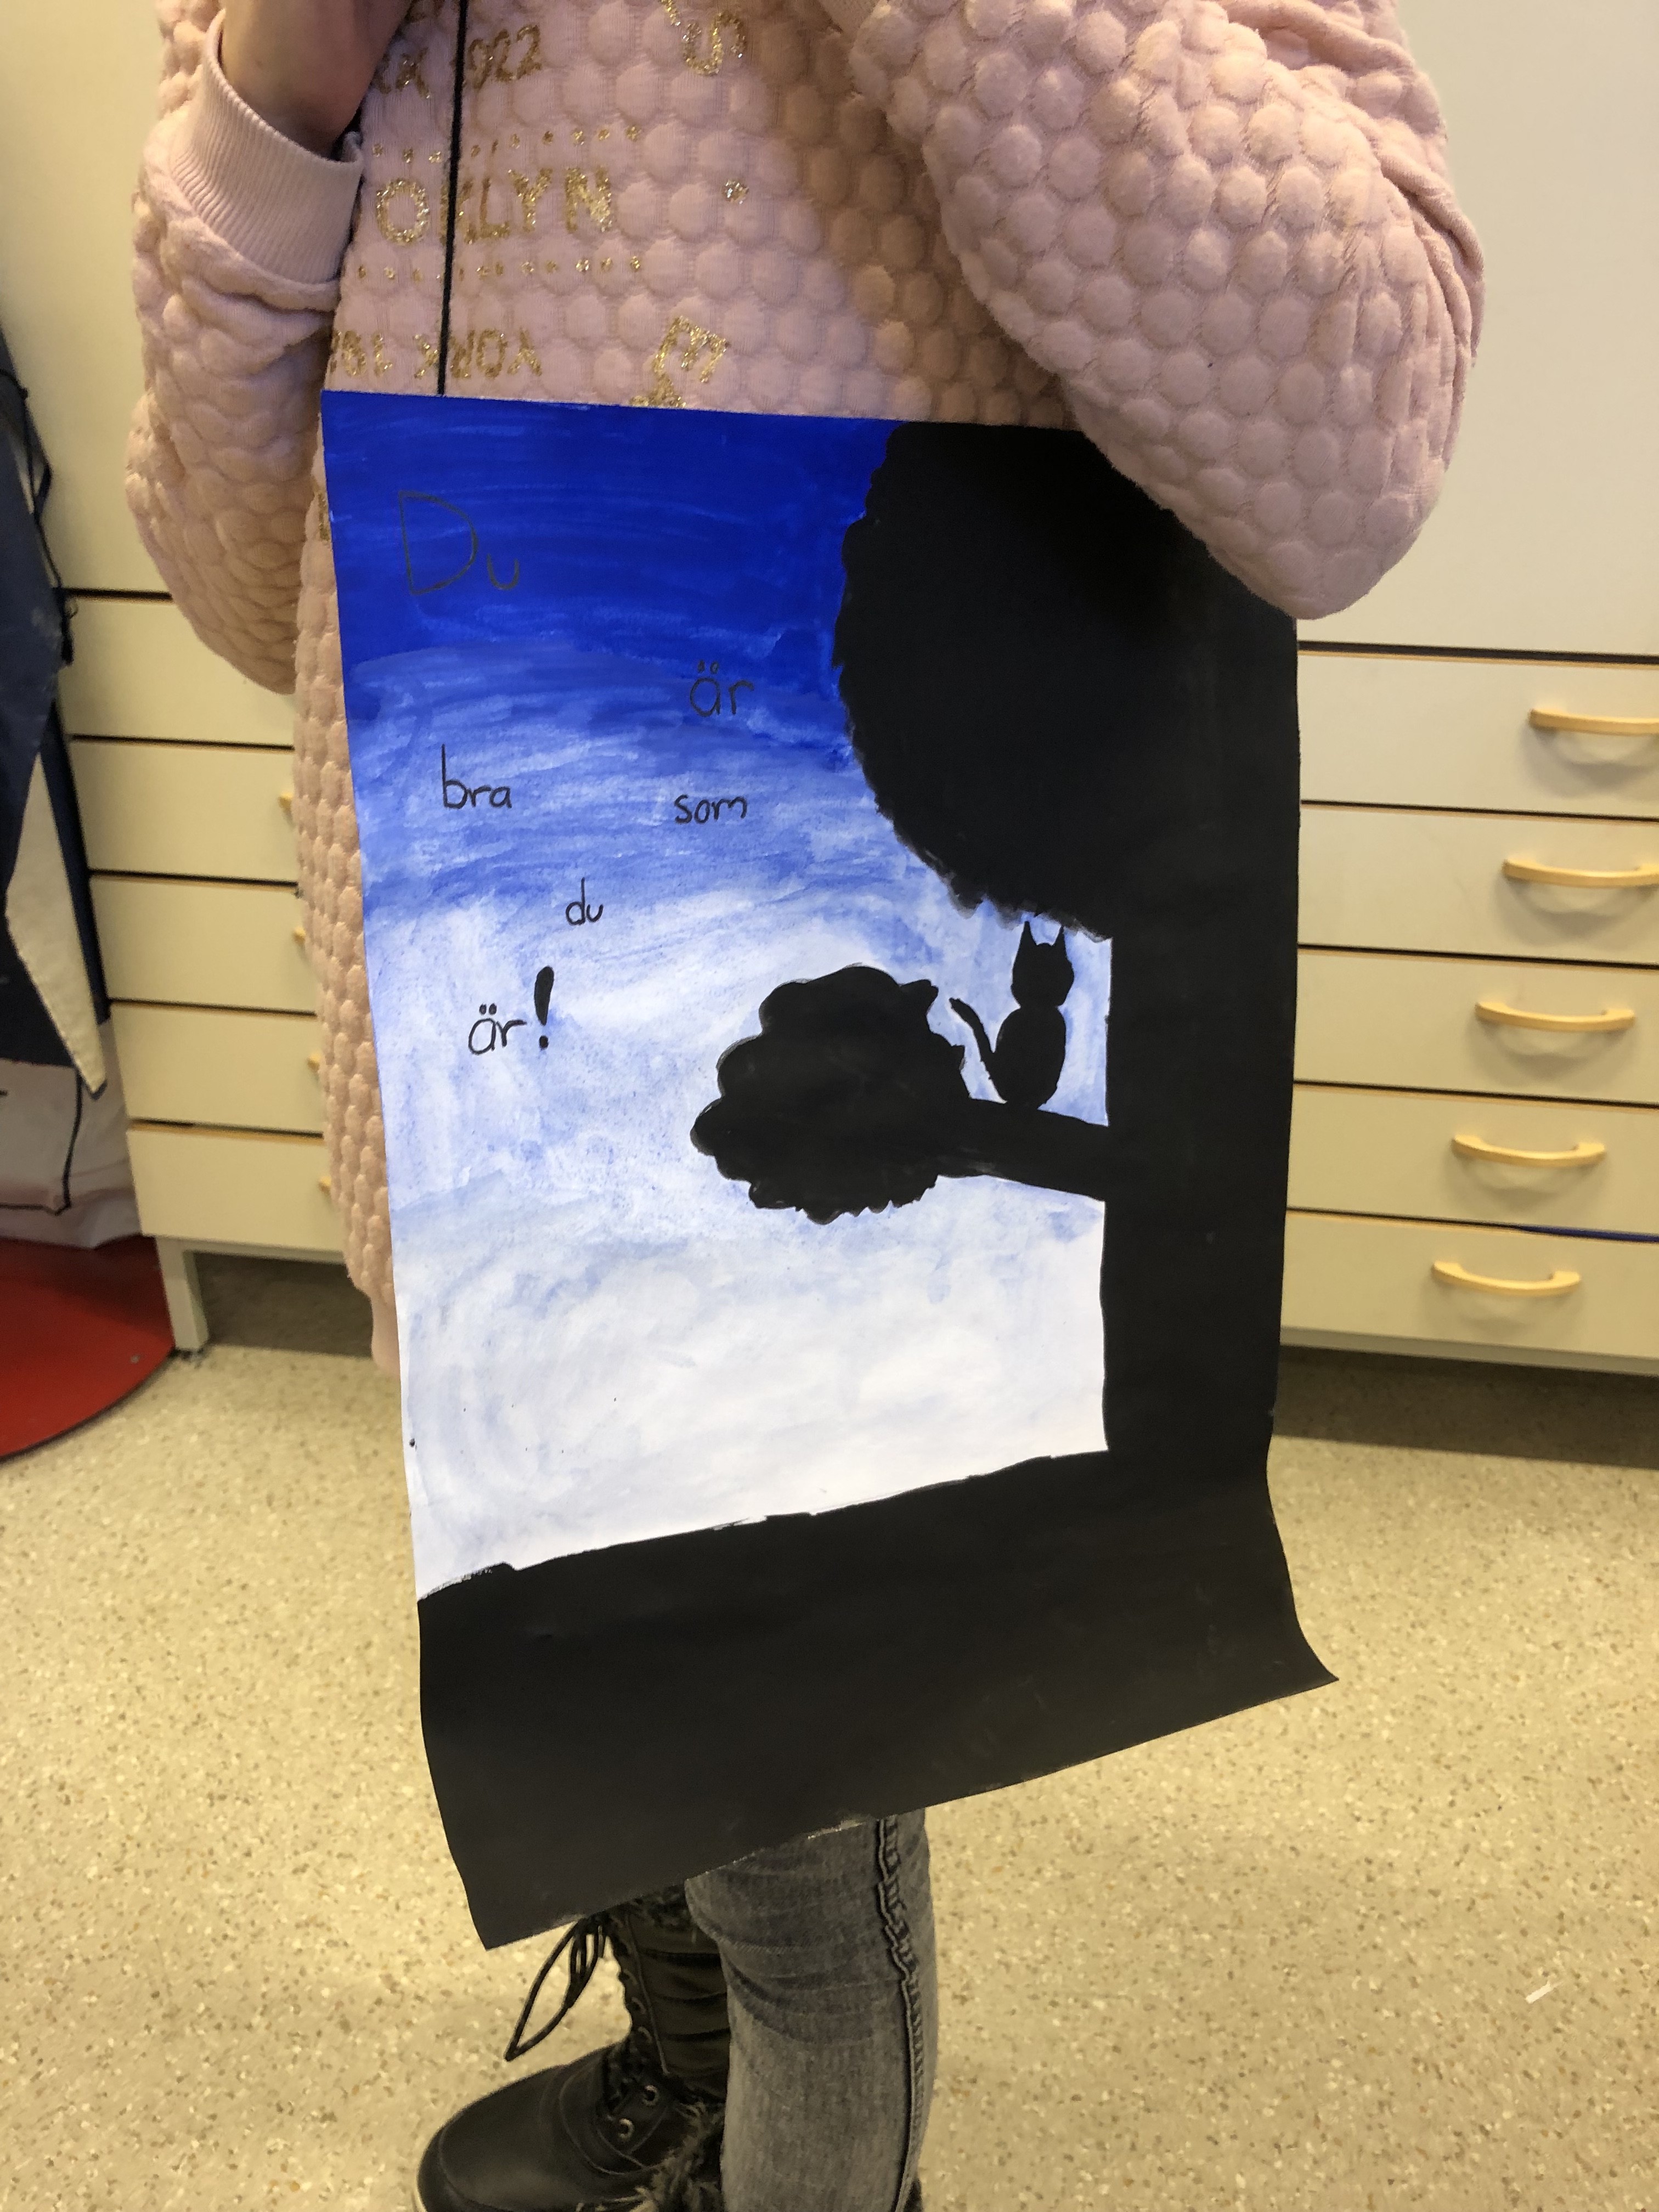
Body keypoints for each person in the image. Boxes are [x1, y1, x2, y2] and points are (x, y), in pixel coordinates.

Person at [127, 1, 1481, 2205]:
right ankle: (695, 2078)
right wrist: (282, 84)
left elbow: (1355, 448)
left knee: (802, 1852)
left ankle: (806, 2145)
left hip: (868, 987)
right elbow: (247, 583)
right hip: (492, 1024)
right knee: (603, 1660)